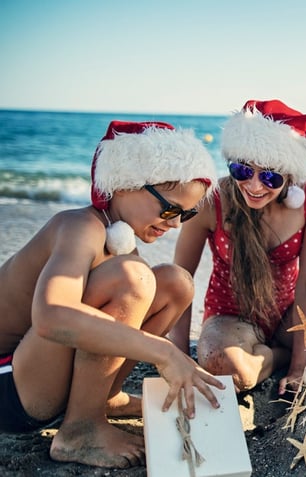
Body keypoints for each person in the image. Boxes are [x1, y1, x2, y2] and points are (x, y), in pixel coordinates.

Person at [0, 121, 225, 469]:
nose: (176, 224)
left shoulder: (120, 238)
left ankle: (102, 399)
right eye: (170, 210)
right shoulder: (79, 226)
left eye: (187, 214)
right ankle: (80, 430)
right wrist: (163, 352)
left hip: (37, 376)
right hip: (10, 386)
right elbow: (51, 316)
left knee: (174, 283)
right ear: (123, 185)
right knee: (134, 278)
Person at [171, 99, 306, 397]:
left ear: (290, 174)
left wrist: (297, 368)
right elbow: (180, 282)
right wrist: (179, 361)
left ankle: (281, 354)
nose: (255, 186)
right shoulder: (211, 200)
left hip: (288, 315)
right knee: (223, 367)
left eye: (270, 176)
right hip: (230, 316)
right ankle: (275, 355)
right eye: (242, 171)